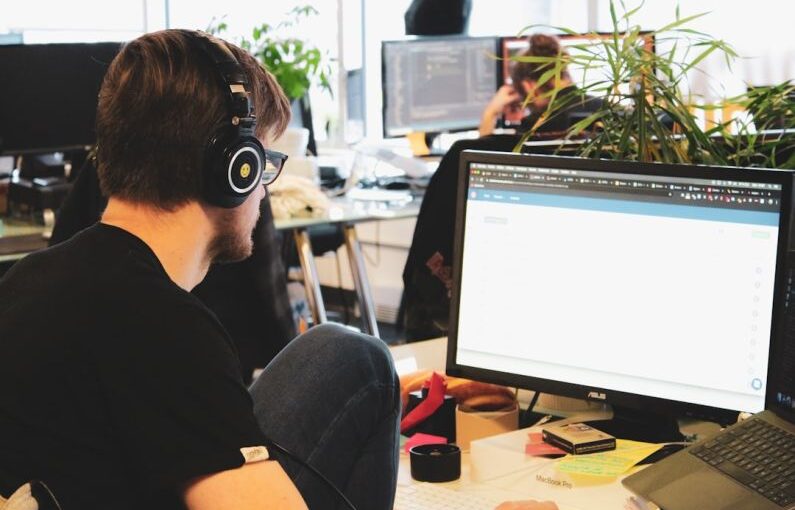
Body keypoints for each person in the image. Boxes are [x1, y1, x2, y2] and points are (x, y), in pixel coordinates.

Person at [0, 29, 400, 510]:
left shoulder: (25, 280)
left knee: (342, 350)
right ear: (234, 169)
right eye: (264, 164)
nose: (264, 190)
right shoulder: (162, 325)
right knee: (363, 363)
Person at [479, 33, 601, 137]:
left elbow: (483, 153)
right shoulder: (604, 108)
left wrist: (490, 113)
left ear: (529, 86)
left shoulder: (534, 126)